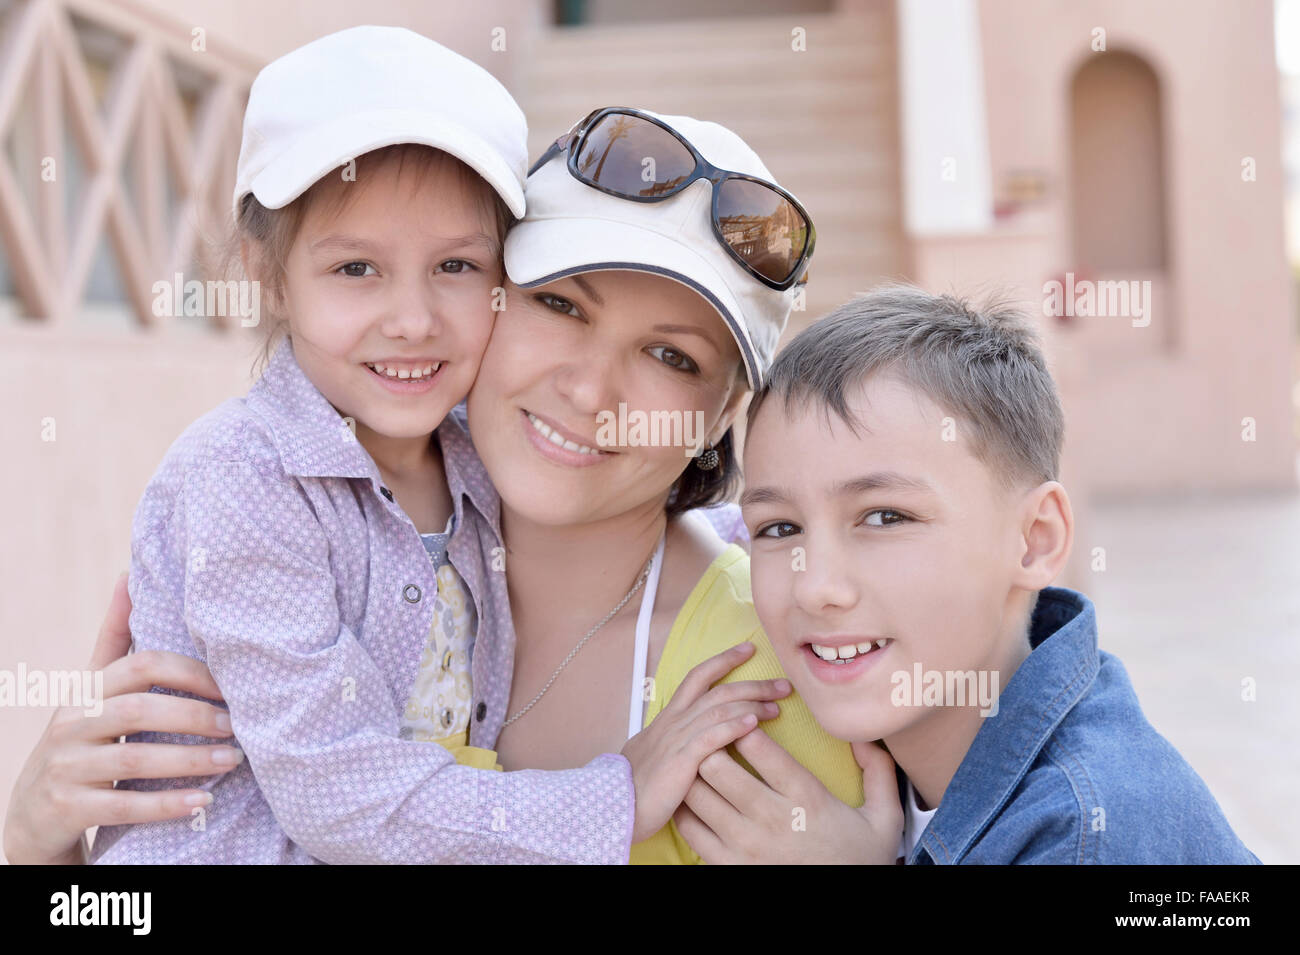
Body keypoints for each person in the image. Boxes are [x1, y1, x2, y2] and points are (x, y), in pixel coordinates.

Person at [5, 92, 873, 864]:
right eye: (561, 304)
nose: (587, 389)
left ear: (724, 417)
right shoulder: (339, 513)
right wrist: (31, 848)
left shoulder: (759, 676)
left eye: (670, 357)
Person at [675, 285, 1262, 864]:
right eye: (780, 528)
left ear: (1035, 540)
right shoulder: (846, 750)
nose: (816, 587)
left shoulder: (1090, 829)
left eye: (885, 517)